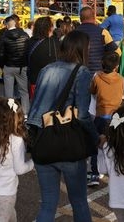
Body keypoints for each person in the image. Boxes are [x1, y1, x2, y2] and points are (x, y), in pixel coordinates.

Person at [27, 30, 95, 222]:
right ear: (82, 49)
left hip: (43, 139)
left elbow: (35, 106)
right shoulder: (81, 72)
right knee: (79, 201)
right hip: (68, 142)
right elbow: (82, 114)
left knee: (48, 204)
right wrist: (95, 138)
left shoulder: (46, 69)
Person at [0, 98, 34, 222]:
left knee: (11, 216)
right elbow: (20, 169)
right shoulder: (16, 139)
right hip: (5, 194)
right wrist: (34, 162)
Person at [89, 52, 124, 187]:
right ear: (116, 66)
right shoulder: (121, 79)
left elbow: (92, 91)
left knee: (95, 145)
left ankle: (94, 174)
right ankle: (117, 172)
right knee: (115, 144)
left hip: (100, 115)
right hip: (116, 116)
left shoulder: (97, 78)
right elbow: (121, 94)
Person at [0, 14, 31, 116]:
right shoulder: (25, 35)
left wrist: (2, 65)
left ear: (7, 25)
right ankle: (25, 114)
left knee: (9, 93)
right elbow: (28, 51)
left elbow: (1, 54)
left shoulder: (4, 36)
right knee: (24, 91)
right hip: (22, 66)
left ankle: (9, 113)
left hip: (9, 66)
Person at [76, 6, 116, 74]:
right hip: (99, 74)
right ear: (94, 17)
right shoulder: (103, 32)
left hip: (80, 73)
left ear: (80, 18)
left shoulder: (73, 33)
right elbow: (117, 51)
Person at [26, 17, 59, 98]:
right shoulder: (54, 42)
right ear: (49, 28)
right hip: (51, 81)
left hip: (34, 79)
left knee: (35, 104)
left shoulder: (31, 41)